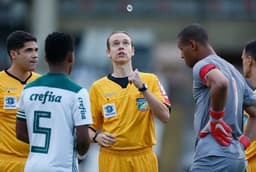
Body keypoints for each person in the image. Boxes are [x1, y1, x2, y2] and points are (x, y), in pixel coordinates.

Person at [177, 23, 256, 172]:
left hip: (212, 156)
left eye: (181, 49)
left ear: (192, 45)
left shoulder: (202, 65)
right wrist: (244, 143)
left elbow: (220, 83)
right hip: (237, 159)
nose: (181, 55)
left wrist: (216, 118)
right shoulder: (235, 72)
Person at [88, 31, 171, 172]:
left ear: (132, 51)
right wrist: (97, 137)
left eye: (125, 43)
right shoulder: (97, 87)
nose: (121, 47)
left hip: (143, 157)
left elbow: (165, 116)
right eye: (116, 44)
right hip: (112, 158)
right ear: (108, 52)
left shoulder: (150, 80)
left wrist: (143, 89)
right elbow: (88, 129)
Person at [16, 32, 92, 171]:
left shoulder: (28, 89)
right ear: (71, 57)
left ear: (45, 58)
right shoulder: (78, 93)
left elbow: (20, 132)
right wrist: (79, 154)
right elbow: (83, 141)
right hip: (61, 168)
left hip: (32, 167)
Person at [0, 31, 40, 172]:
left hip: (38, 162)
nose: (35, 55)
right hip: (7, 163)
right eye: (28, 50)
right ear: (13, 54)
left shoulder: (42, 83)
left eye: (36, 50)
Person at [241, 40, 256, 172]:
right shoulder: (252, 96)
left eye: (243, 59)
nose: (242, 63)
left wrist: (238, 153)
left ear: (249, 60)